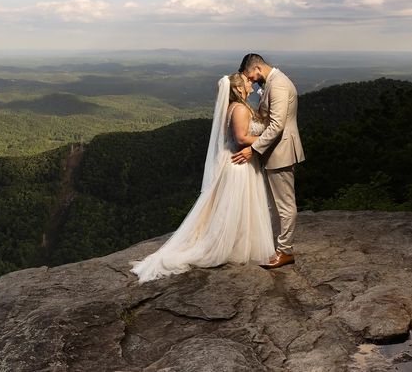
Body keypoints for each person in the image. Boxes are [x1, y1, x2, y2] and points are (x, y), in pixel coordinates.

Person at [130, 73, 275, 283]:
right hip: (238, 163)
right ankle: (231, 245)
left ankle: (235, 242)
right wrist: (266, 138)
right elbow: (241, 137)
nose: (251, 84)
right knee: (236, 205)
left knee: (235, 206)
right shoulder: (241, 109)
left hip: (234, 160)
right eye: (247, 82)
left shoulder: (234, 107)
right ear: (239, 88)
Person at [232, 53, 305, 269]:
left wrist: (252, 149)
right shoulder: (273, 82)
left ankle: (285, 251)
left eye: (250, 77)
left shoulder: (279, 84)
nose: (251, 82)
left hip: (281, 151)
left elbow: (277, 125)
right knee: (275, 204)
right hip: (274, 151)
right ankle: (278, 247)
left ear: (256, 68)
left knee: (284, 204)